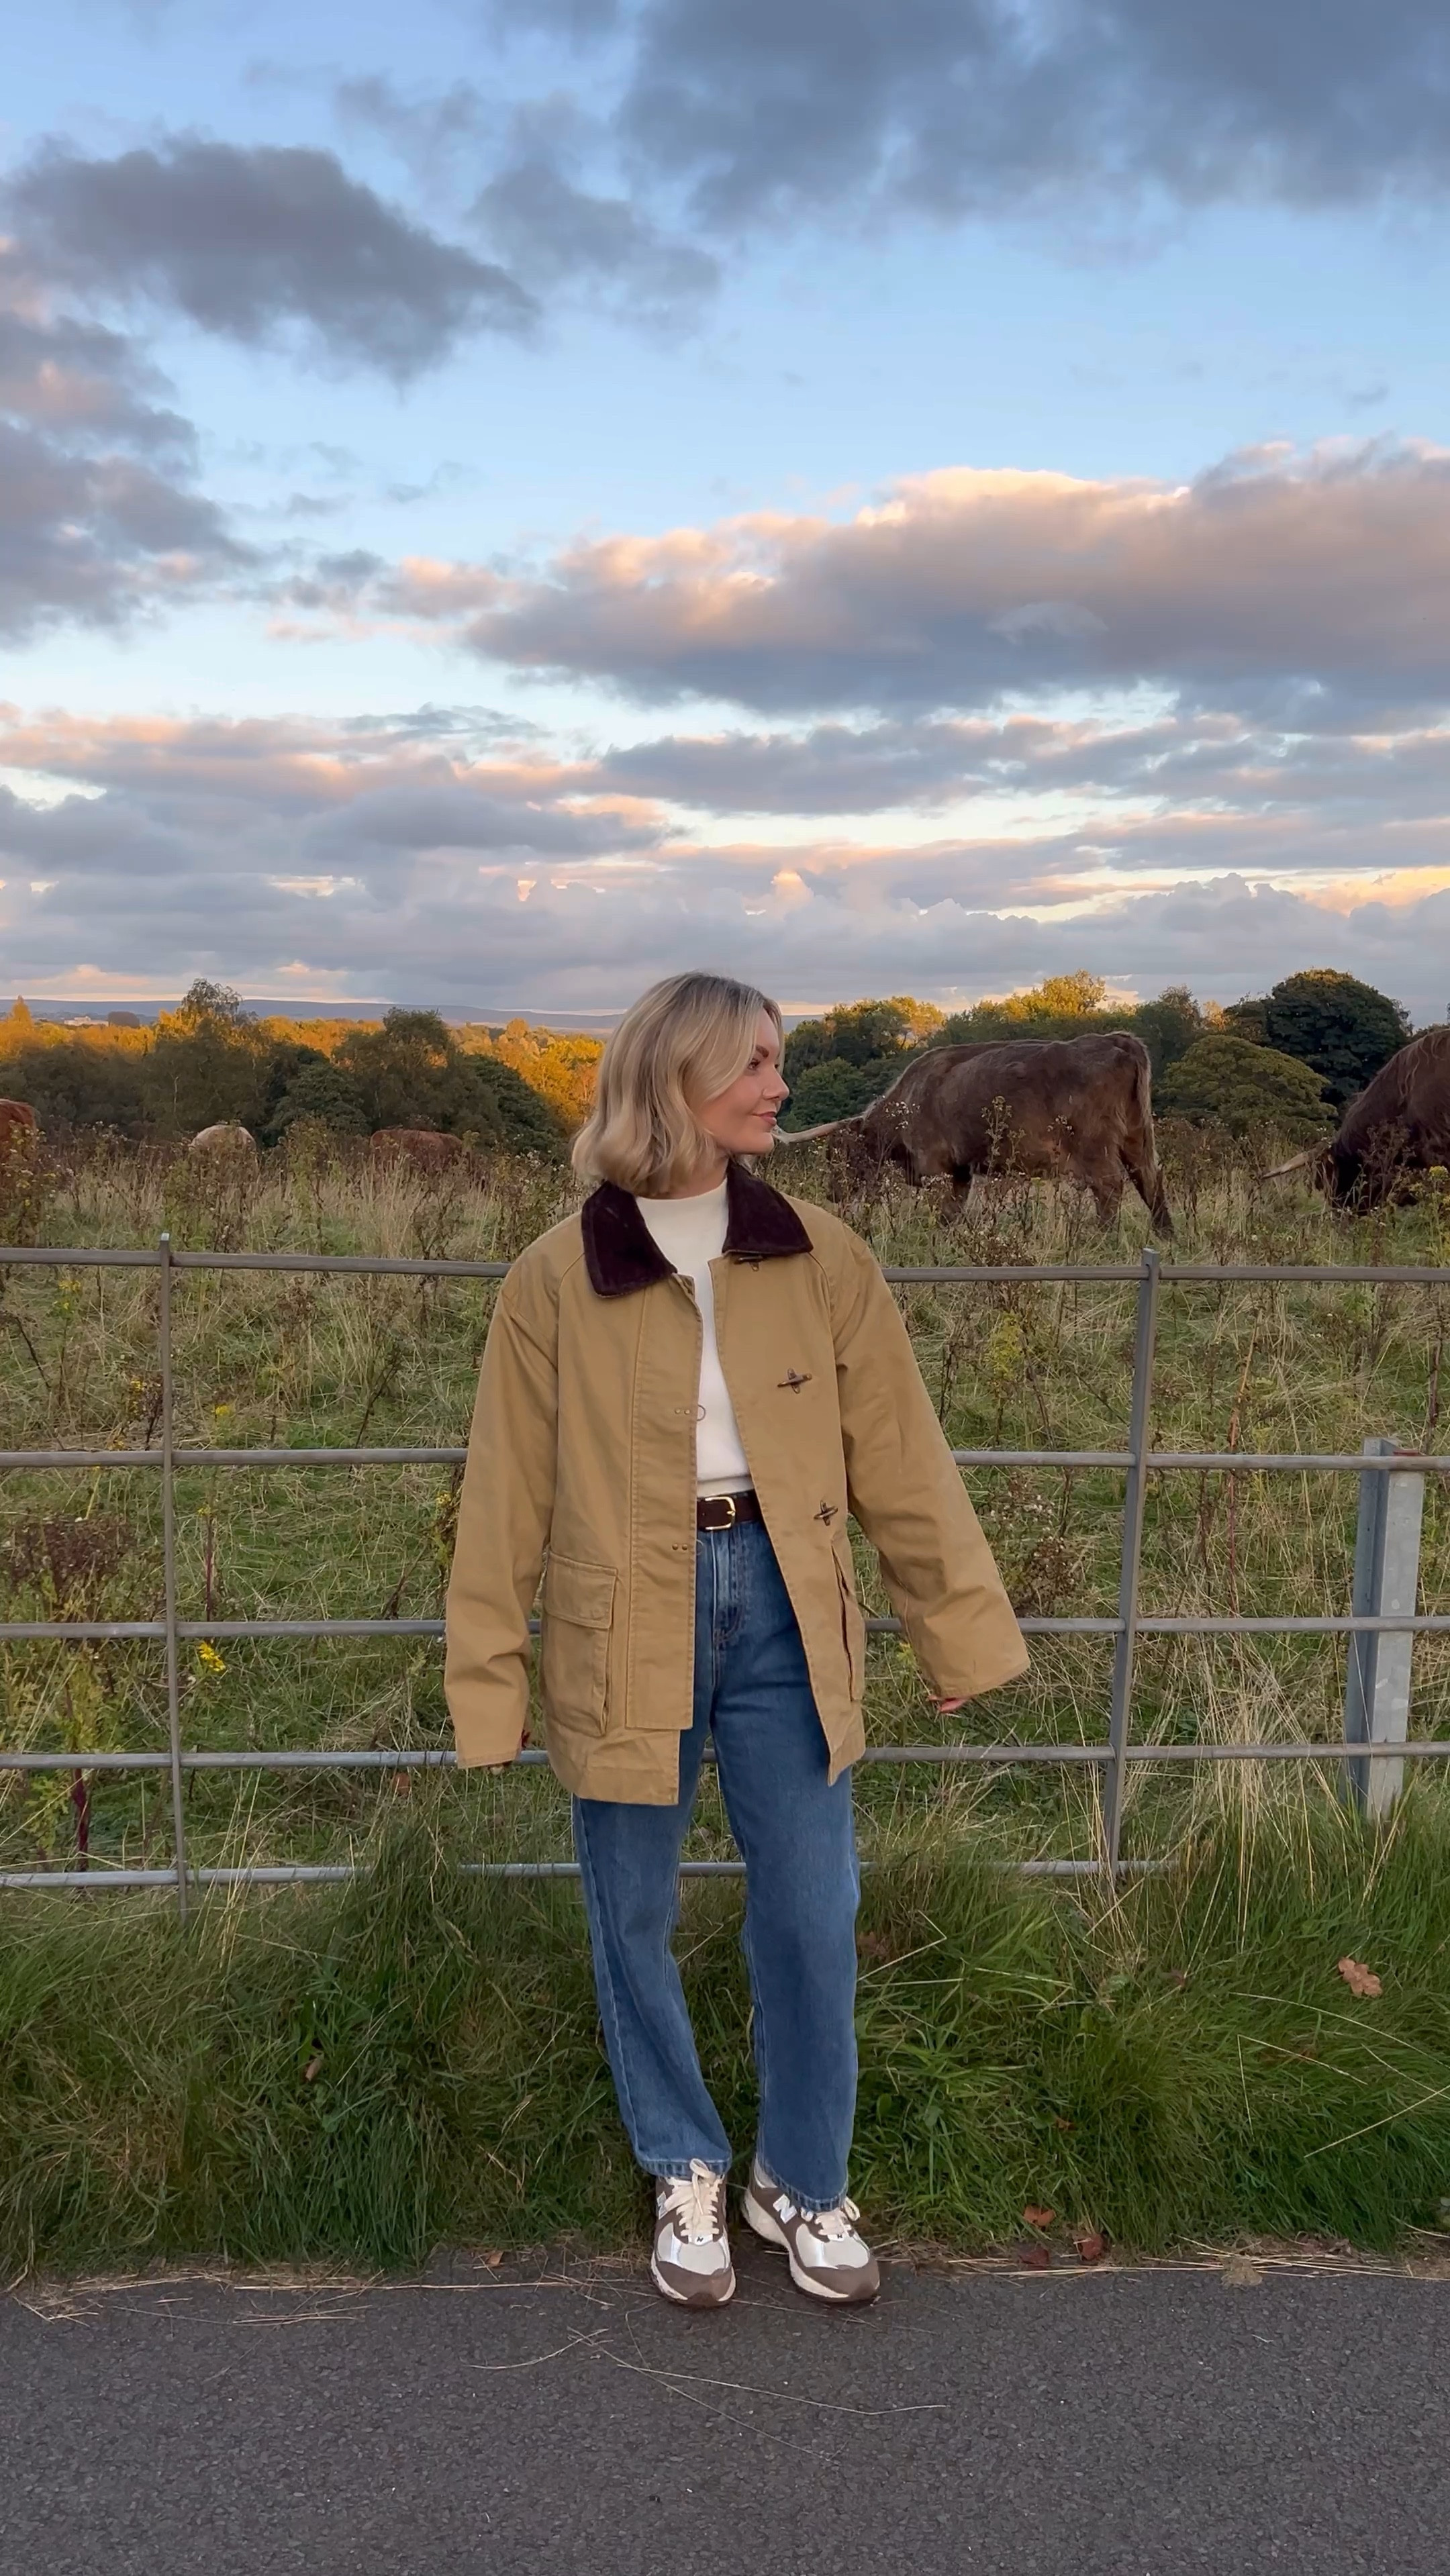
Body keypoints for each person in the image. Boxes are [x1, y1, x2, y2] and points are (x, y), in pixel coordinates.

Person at [445, 973, 1026, 2308]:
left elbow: (900, 1453)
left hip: (785, 1597)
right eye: (756, 1062)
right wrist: (490, 1679)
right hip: (620, 1612)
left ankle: (802, 2177)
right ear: (677, 1078)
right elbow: (504, 1492)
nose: (779, 1084)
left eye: (780, 1059)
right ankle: (683, 2161)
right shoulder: (554, 1276)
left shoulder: (823, 1252)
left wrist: (954, 1628)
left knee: (816, 1908)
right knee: (632, 1908)